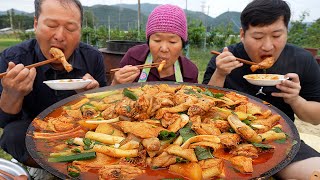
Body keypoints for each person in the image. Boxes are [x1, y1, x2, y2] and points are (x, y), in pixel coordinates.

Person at [203, 0, 320, 179]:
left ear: (287, 32)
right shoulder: (224, 59)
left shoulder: (302, 60)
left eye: (276, 35)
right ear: (242, 34)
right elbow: (203, 103)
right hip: (222, 141)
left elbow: (315, 119)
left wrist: (296, 100)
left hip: (279, 142)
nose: (267, 46)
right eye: (258, 37)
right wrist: (220, 73)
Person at [0, 0, 106, 168]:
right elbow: (5, 121)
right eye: (51, 25)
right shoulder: (13, 58)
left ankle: (74, 166)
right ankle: (56, 167)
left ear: (79, 30)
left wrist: (94, 95)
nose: (60, 36)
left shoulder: (93, 57)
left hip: (81, 130)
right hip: (37, 132)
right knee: (13, 135)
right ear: (36, 24)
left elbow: (104, 112)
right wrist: (12, 94)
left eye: (70, 28)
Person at [111, 4, 198, 85]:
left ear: (182, 44)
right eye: (157, 40)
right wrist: (116, 82)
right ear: (148, 42)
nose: (164, 48)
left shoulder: (190, 71)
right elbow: (110, 96)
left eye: (172, 42)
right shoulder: (133, 58)